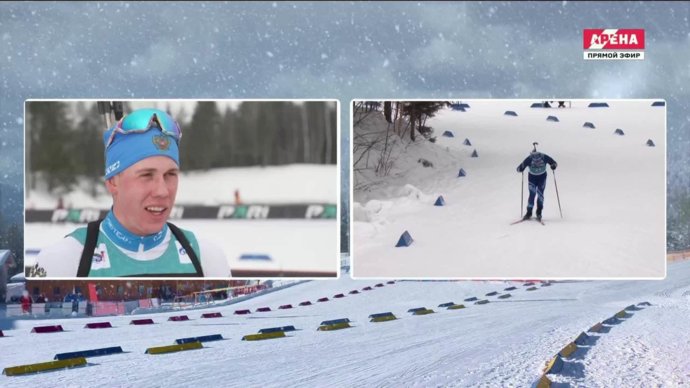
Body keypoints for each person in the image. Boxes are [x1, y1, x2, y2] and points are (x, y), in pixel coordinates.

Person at [34, 108, 231, 277]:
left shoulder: (207, 258)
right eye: (146, 175)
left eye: (170, 175)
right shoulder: (61, 261)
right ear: (112, 183)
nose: (162, 191)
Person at [516, 143, 557, 222]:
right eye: (534, 157)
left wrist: (520, 169)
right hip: (535, 178)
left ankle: (535, 212)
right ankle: (532, 212)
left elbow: (553, 162)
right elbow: (554, 163)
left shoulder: (536, 157)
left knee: (536, 194)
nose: (536, 158)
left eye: (537, 156)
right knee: (535, 194)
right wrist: (553, 166)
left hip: (539, 177)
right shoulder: (538, 157)